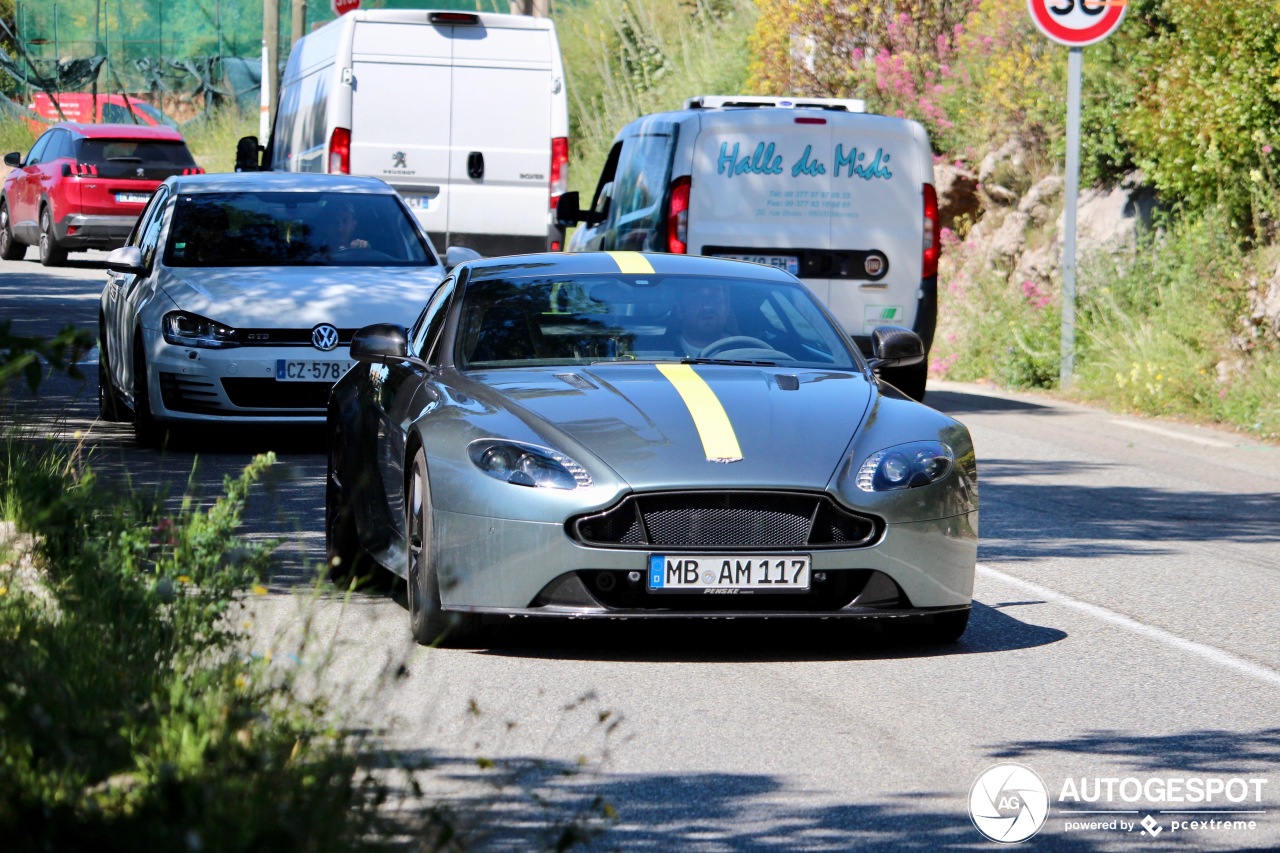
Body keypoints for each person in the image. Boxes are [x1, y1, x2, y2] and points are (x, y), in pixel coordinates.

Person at [671, 281, 734, 357]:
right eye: (697, 298)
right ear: (680, 310)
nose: (707, 307)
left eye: (715, 297)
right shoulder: (657, 350)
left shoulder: (746, 351)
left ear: (727, 308)